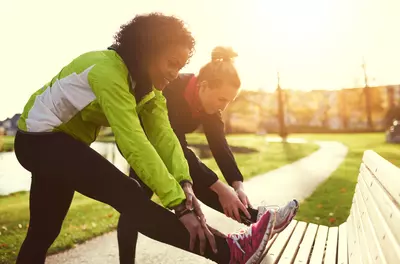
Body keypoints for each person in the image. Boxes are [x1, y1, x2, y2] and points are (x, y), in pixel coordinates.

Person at [14, 13, 280, 264]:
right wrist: (179, 205)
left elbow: (165, 138)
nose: (175, 73)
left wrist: (185, 184)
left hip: (57, 145)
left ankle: (233, 250)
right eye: (171, 63)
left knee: (43, 232)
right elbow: (134, 141)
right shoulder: (108, 72)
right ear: (148, 51)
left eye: (181, 66)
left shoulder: (148, 90)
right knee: (128, 193)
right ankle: (230, 252)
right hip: (39, 141)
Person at [117, 46, 299, 263]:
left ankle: (256, 219)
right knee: (134, 204)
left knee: (192, 184)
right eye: (222, 99)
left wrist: (236, 184)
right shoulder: (172, 90)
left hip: (169, 149)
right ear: (203, 87)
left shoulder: (209, 107)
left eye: (229, 101)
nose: (224, 106)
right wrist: (219, 187)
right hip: (142, 145)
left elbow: (219, 145)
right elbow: (174, 146)